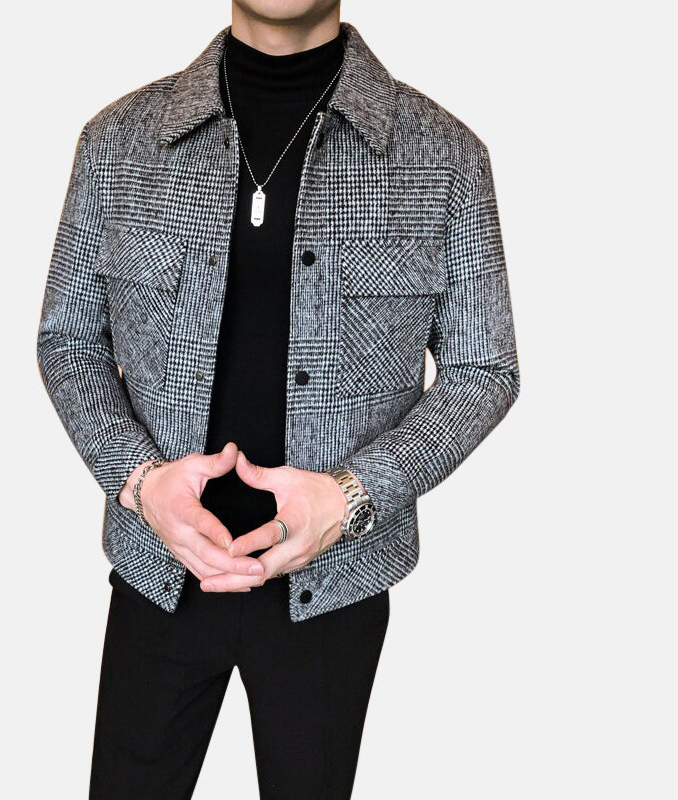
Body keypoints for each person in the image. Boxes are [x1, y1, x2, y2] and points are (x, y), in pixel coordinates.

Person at [36, 2, 520, 797]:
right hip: (159, 571)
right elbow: (69, 341)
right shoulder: (118, 141)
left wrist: (352, 496)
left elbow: (484, 368)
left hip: (333, 588)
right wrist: (139, 482)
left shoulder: (444, 157)